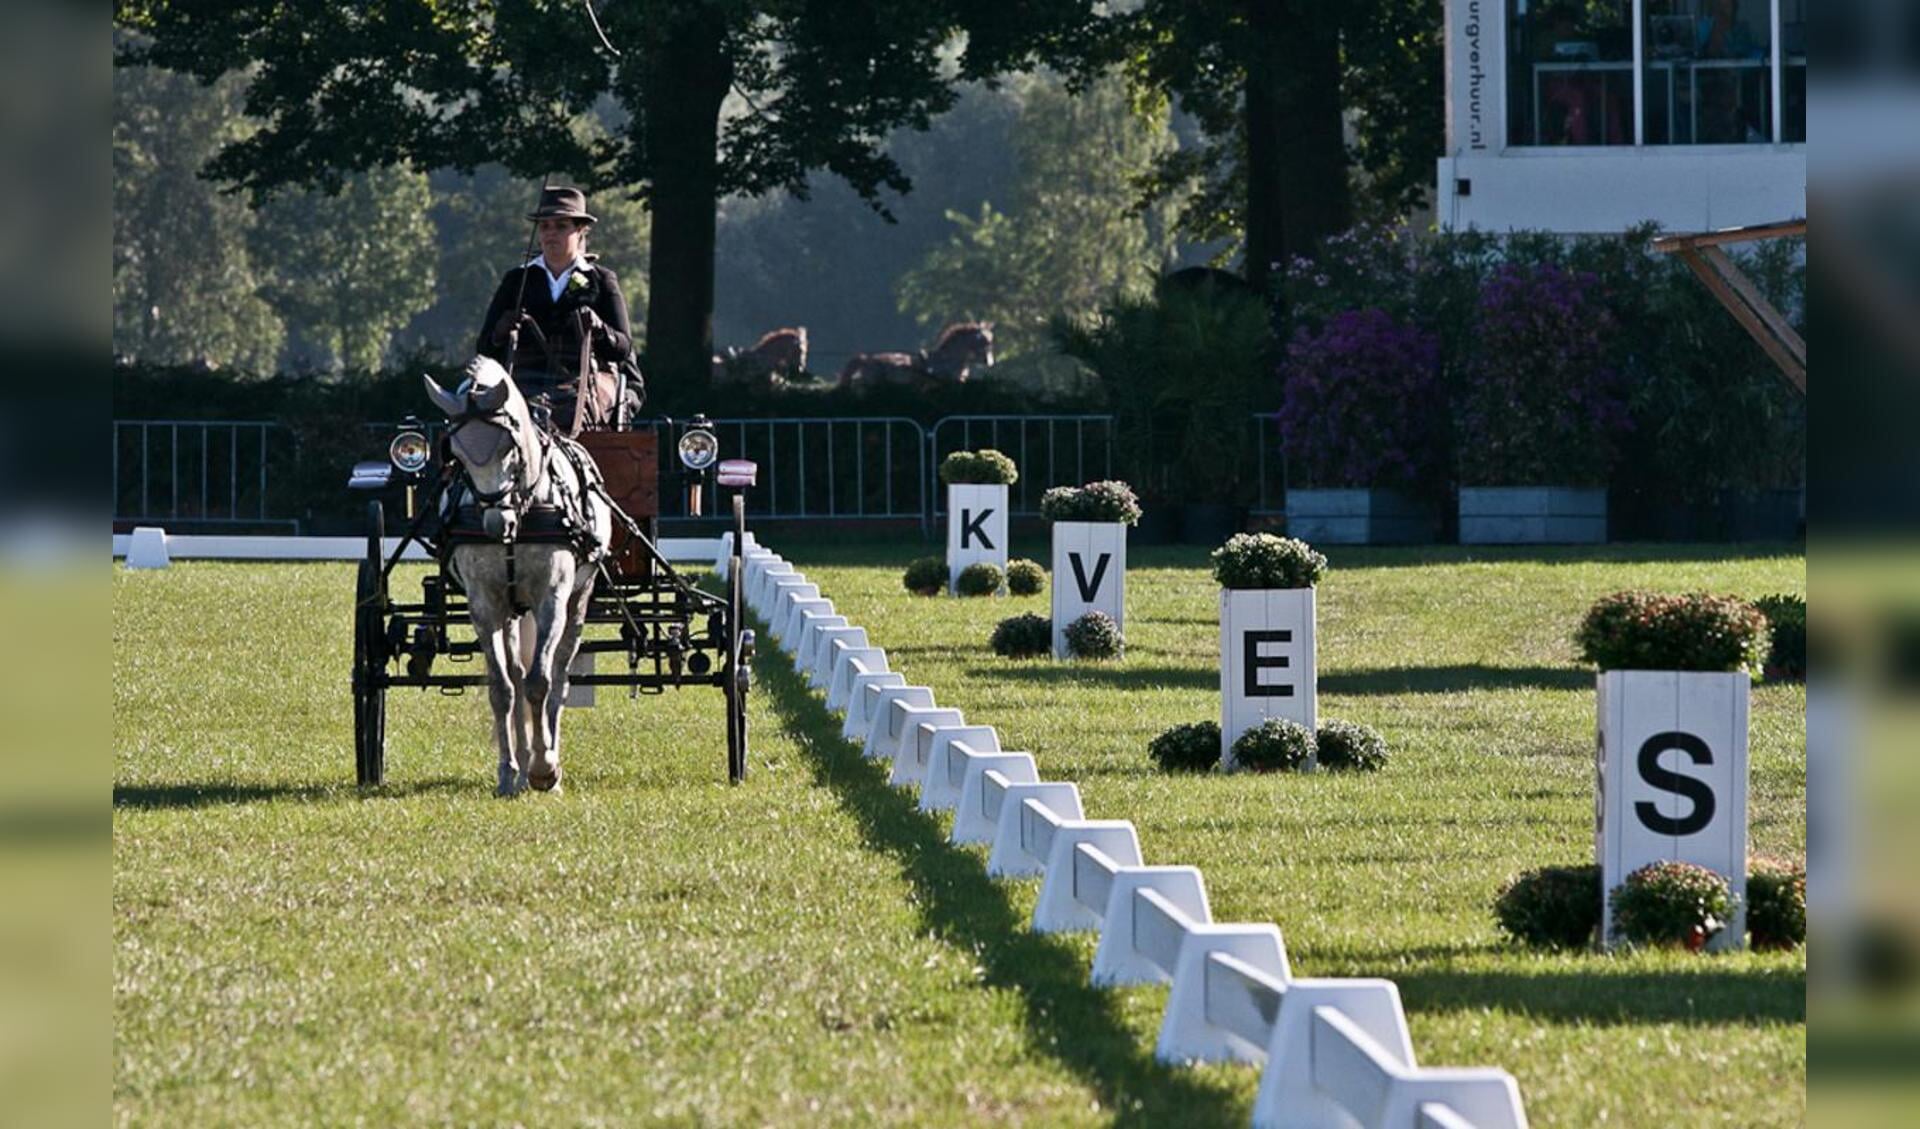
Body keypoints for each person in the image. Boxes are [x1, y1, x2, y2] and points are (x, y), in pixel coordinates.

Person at [475, 186, 641, 429]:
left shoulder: (601, 280)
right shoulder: (517, 280)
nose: (551, 234)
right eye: (545, 227)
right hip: (523, 380)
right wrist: (501, 330)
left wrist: (598, 328)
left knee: (569, 415)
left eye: (561, 226)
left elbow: (623, 347)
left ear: (580, 230)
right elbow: (484, 347)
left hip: (581, 382)